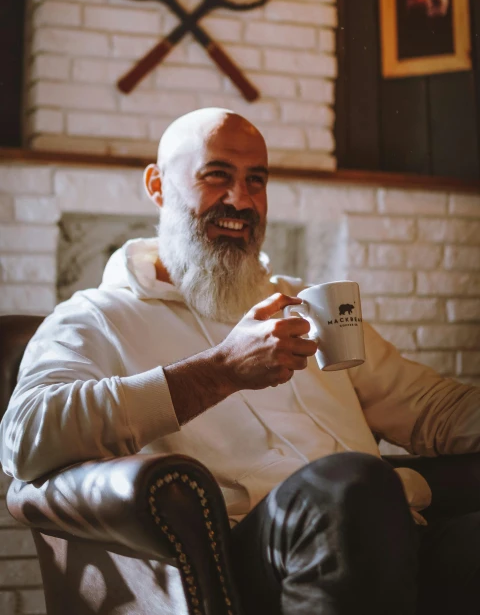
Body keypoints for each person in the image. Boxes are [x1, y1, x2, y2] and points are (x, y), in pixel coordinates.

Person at [1, 107, 480, 615]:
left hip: (392, 533)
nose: (241, 200)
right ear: (158, 186)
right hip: (241, 568)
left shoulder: (305, 303)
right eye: (216, 176)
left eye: (257, 180)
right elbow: (23, 438)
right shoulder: (95, 318)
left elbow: (432, 410)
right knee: (348, 486)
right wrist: (220, 370)